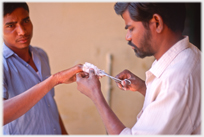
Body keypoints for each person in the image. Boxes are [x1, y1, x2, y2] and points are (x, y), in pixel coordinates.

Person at [76, 3, 201, 135]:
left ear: (157, 23)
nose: (127, 37)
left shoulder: (177, 82)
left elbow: (174, 92)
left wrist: (96, 95)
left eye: (131, 28)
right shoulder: (189, 55)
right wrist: (144, 88)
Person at [3, 2, 83, 134]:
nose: (22, 31)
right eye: (10, 26)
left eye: (26, 21)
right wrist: (55, 80)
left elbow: (49, 104)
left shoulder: (41, 55)